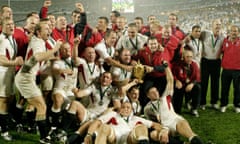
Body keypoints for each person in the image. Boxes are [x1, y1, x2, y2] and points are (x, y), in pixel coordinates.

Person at [15, 22, 62, 143]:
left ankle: (36, 130)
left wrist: (51, 58)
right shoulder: (37, 42)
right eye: (46, 29)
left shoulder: (40, 41)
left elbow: (39, 58)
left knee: (38, 105)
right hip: (25, 78)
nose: (49, 30)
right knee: (41, 105)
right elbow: (37, 57)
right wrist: (55, 49)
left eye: (49, 28)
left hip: (27, 77)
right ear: (38, 32)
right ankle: (43, 136)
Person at [144, 65, 204, 144]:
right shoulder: (147, 108)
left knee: (191, 135)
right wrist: (161, 129)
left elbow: (170, 80)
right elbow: (151, 123)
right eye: (152, 93)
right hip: (164, 127)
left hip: (174, 121)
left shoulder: (165, 97)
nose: (155, 93)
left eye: (156, 91)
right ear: (148, 95)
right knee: (155, 135)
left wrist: (166, 67)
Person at [84, 101, 166, 144]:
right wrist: (89, 134)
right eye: (123, 107)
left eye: (128, 108)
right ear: (120, 109)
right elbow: (97, 122)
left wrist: (163, 131)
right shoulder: (113, 114)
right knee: (104, 127)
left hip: (129, 139)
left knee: (142, 127)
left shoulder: (136, 118)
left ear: (131, 111)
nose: (125, 109)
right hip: (114, 137)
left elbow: (154, 125)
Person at [0, 17, 24, 141]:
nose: (11, 26)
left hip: (9, 73)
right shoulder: (2, 40)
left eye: (12, 24)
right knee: (3, 101)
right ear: (2, 26)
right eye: (8, 24)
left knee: (9, 99)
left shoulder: (11, 38)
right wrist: (15, 62)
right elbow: (1, 59)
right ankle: (4, 131)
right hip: (2, 73)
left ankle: (4, 122)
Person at [200, 19, 224, 110]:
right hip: (205, 61)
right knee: (204, 82)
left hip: (216, 62)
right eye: (216, 24)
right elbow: (194, 36)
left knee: (215, 83)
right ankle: (202, 102)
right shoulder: (205, 33)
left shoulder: (223, 36)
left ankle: (214, 102)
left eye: (219, 24)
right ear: (212, 25)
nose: (218, 26)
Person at [172, 48, 201, 116]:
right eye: (187, 57)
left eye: (191, 57)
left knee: (197, 87)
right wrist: (176, 81)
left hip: (189, 85)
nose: (189, 59)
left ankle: (194, 109)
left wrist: (192, 84)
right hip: (180, 85)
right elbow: (172, 74)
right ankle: (177, 110)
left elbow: (197, 77)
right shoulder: (177, 65)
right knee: (178, 88)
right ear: (183, 57)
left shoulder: (194, 65)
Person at [220, 24, 240, 113]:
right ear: (229, 32)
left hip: (238, 70)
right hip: (226, 70)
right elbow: (220, 52)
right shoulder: (224, 41)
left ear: (238, 32)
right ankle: (223, 105)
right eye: (232, 31)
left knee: (238, 89)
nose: (233, 33)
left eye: (235, 31)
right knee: (224, 88)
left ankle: (237, 105)